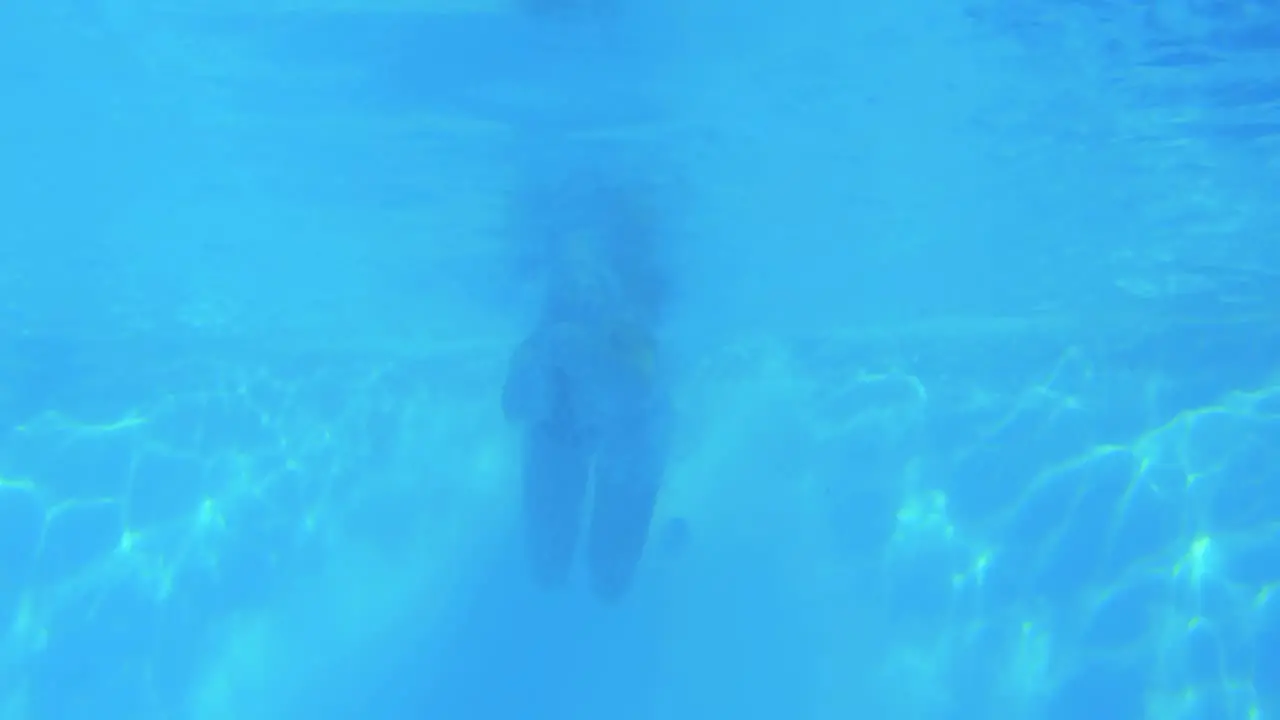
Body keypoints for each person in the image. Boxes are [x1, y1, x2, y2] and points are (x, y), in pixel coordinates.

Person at [501, 0, 673, 602]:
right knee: (550, 566)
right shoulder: (559, 310)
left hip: (626, 415)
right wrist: (543, 359)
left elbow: (639, 383)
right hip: (567, 418)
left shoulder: (622, 296)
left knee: (608, 577)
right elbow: (515, 403)